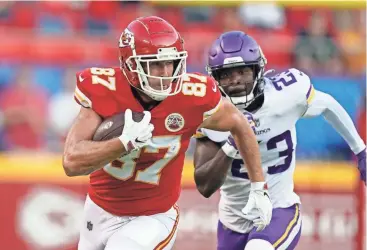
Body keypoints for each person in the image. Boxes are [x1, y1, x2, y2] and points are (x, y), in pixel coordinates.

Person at [62, 17, 272, 250]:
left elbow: (239, 124)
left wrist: (258, 187)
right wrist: (123, 143)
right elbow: (71, 162)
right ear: (131, 65)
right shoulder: (104, 89)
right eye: (155, 64)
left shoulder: (192, 96)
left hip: (153, 217)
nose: (165, 72)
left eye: (170, 62)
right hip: (99, 210)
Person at [193, 31, 366, 250]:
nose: (235, 80)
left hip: (278, 209)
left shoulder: (286, 94)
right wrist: (232, 142)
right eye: (226, 74)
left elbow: (328, 105)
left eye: (243, 71)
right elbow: (205, 186)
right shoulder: (210, 114)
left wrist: (360, 149)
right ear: (215, 78)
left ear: (258, 70)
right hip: (232, 223)